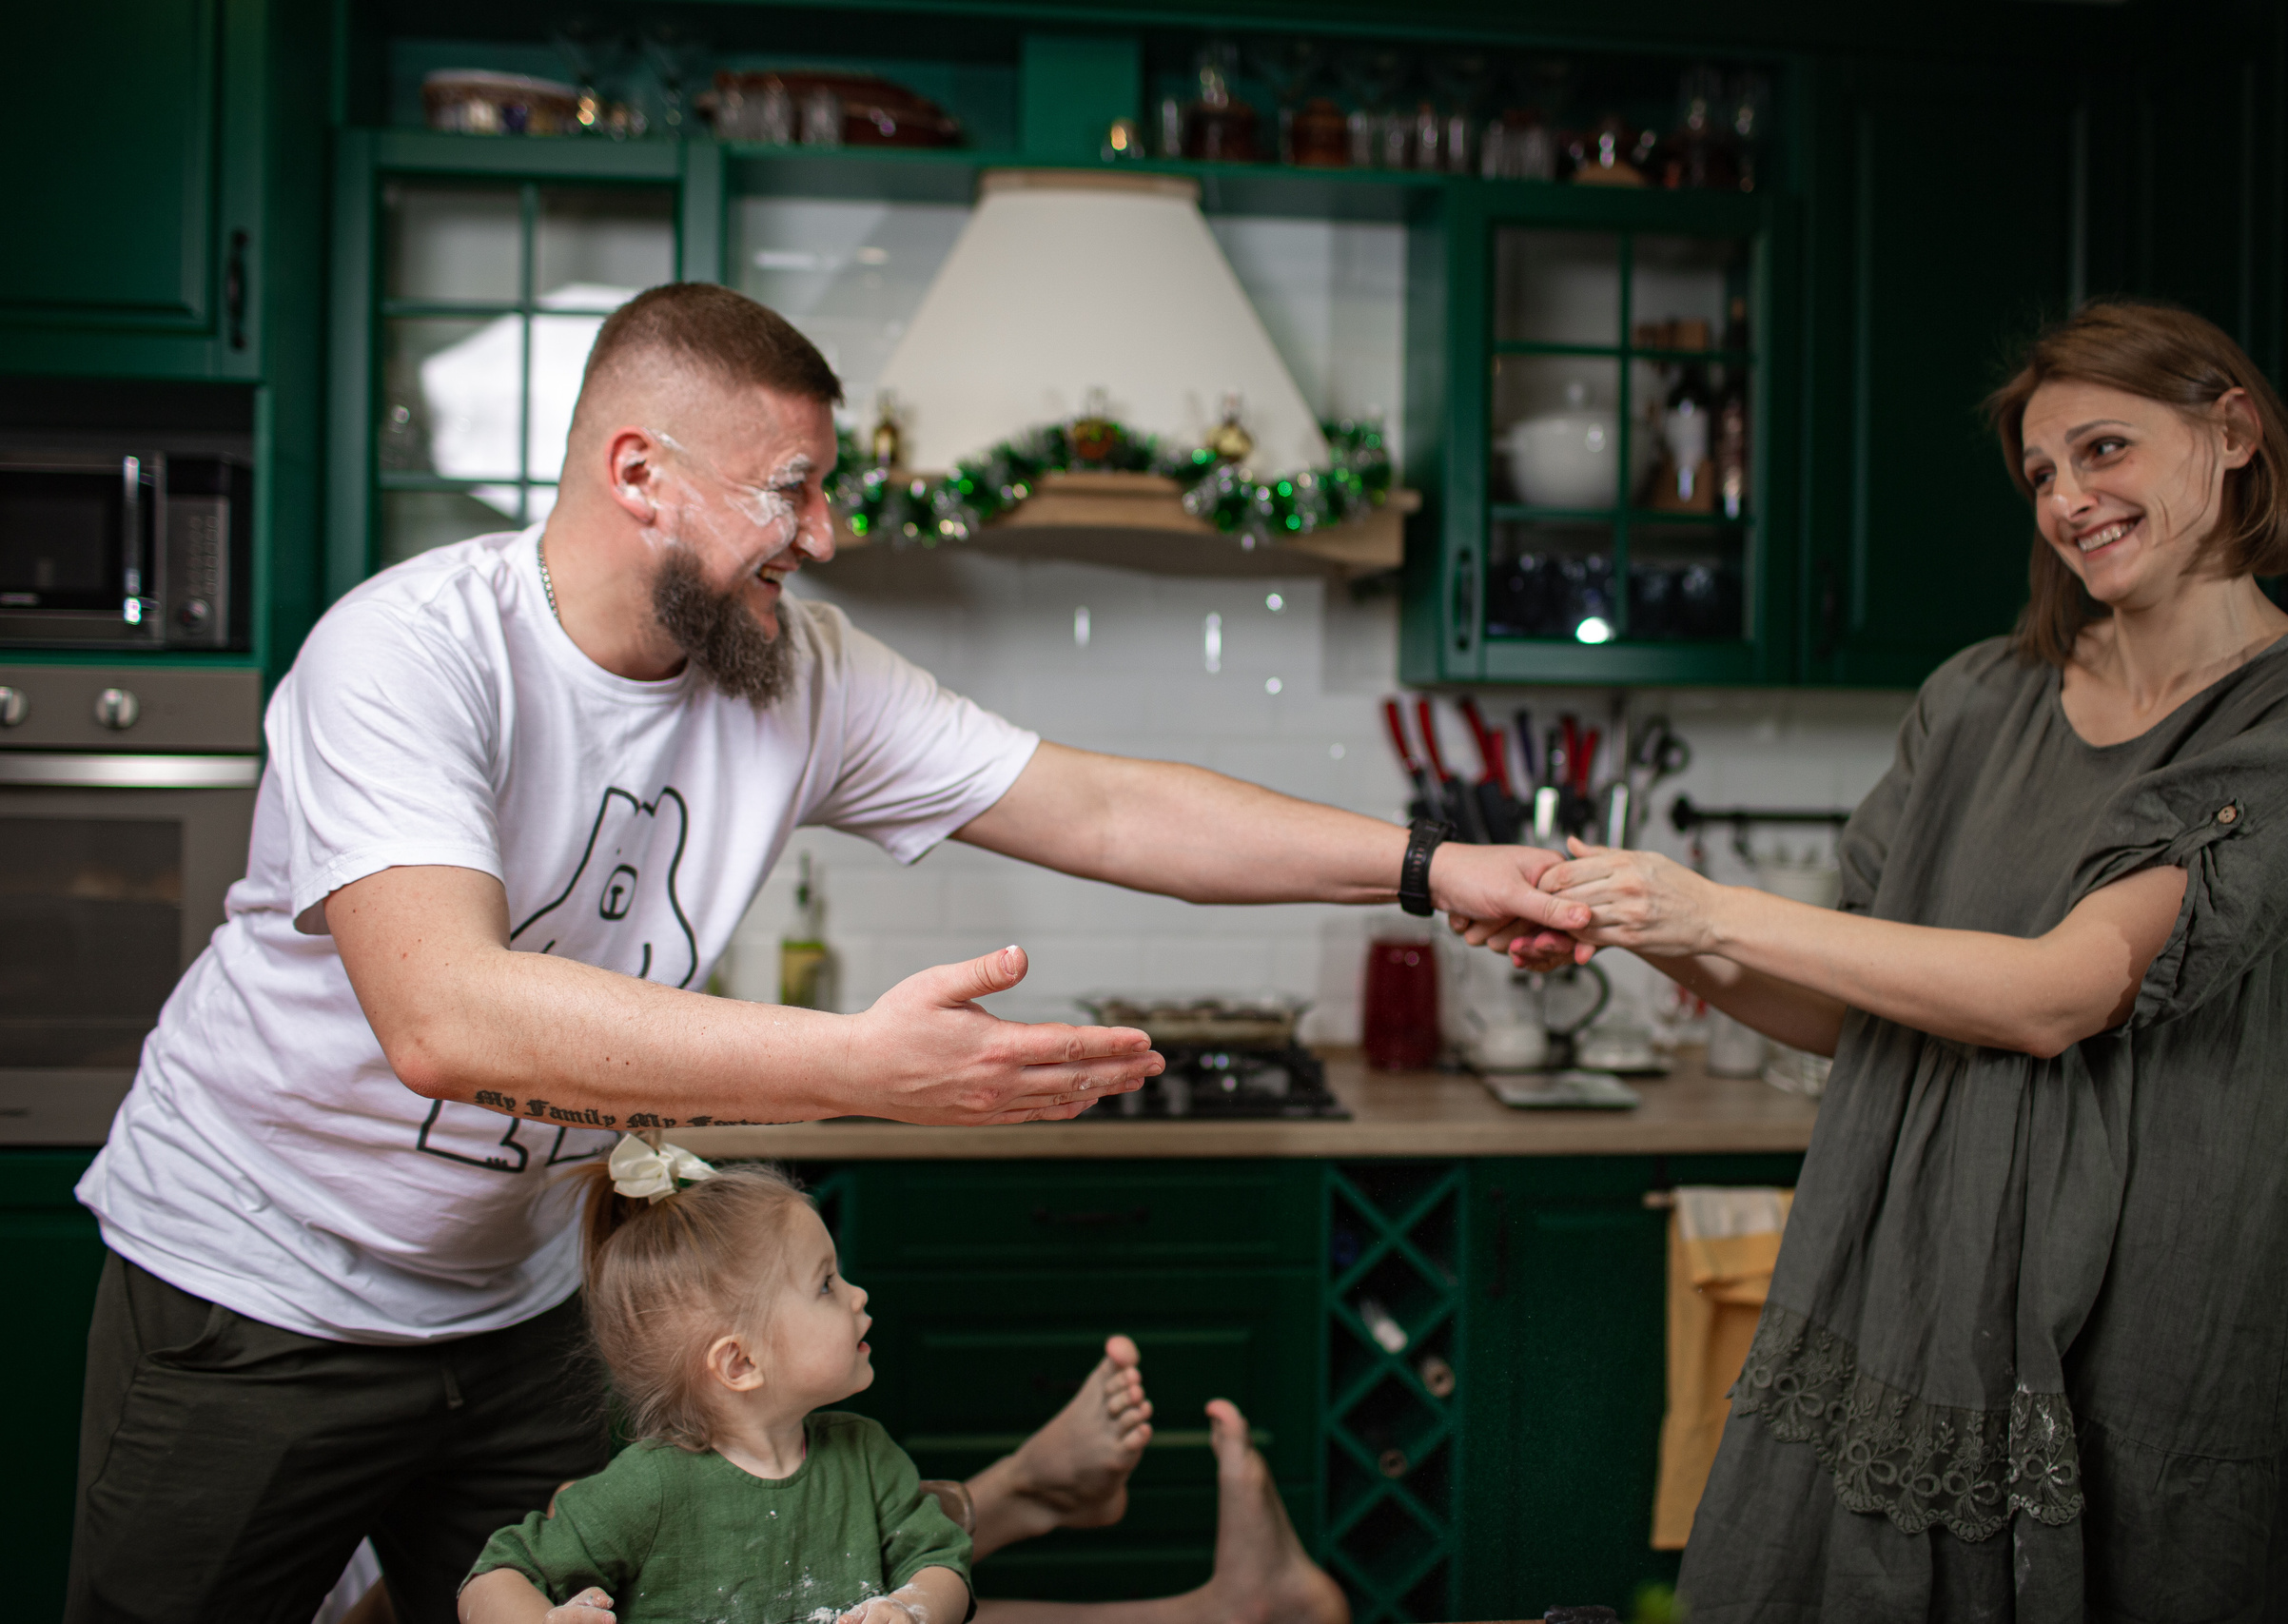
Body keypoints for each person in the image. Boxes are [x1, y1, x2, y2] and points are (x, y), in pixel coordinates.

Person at [66, 282, 1582, 1622]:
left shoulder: (798, 673)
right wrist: (864, 1067)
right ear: (638, 473)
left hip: (517, 1304)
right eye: (791, 490)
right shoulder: (408, 655)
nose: (829, 532)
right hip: (255, 1282)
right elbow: (444, 1017)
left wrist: (1431, 862)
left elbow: (1110, 807)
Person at [1506, 301, 2288, 1619]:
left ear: (2234, 431)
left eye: (2104, 449)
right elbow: (1839, 1008)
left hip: (2165, 1310)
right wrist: (1638, 927)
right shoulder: (1978, 695)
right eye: (2042, 471)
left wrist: (1707, 909)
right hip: (1909, 1282)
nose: (2067, 497)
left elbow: (2063, 991)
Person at [458, 1142, 1340, 1624]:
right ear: (739, 1363)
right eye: (827, 1284)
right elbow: (491, 1577)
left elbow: (941, 1559)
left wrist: (915, 1608)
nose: (859, 1294)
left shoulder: (867, 1456)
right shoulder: (645, 1490)